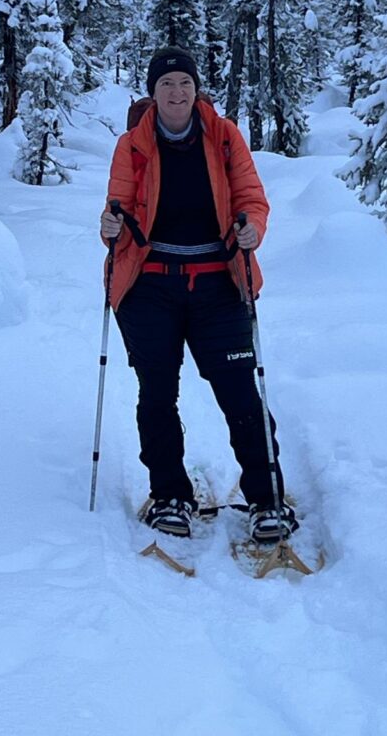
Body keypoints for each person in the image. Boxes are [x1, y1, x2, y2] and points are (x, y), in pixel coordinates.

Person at [100, 46, 297, 542]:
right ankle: (170, 494)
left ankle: (267, 499)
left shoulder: (224, 137)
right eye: (166, 84)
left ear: (196, 89)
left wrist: (252, 226)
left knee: (239, 391)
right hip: (150, 285)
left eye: (184, 83)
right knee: (158, 392)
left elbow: (252, 197)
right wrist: (109, 226)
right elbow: (118, 210)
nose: (176, 92)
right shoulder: (133, 145)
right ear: (152, 92)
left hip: (219, 281)